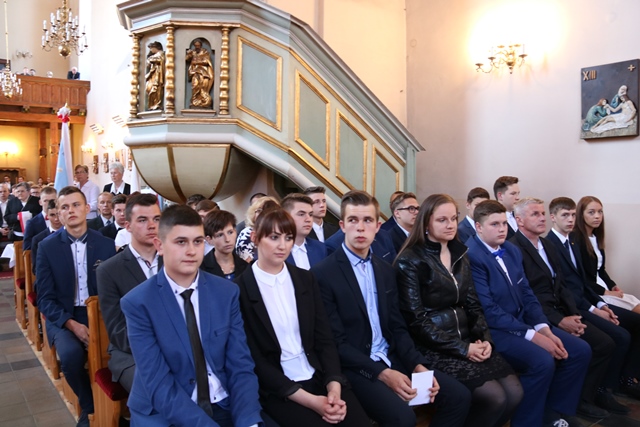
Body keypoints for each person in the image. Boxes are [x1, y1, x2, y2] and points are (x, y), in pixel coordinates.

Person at [311, 190, 471, 427]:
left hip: (392, 356)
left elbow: (397, 326)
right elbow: (336, 343)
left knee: (458, 397)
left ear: (378, 226)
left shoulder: (385, 269)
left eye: (368, 220)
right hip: (357, 365)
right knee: (403, 418)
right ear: (342, 226)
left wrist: (417, 365)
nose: (360, 228)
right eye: (353, 220)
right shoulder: (323, 274)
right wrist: (383, 374)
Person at [120, 205, 263, 426]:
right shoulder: (138, 303)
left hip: (222, 402)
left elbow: (240, 366)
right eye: (181, 242)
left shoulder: (226, 292)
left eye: (197, 241)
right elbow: (158, 383)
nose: (191, 251)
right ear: (159, 245)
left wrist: (248, 421)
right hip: (166, 410)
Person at [395, 194, 522, 427]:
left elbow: (473, 304)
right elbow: (417, 320)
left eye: (453, 218)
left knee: (514, 394)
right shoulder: (410, 260)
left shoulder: (460, 254)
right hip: (432, 346)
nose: (450, 224)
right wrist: (464, 349)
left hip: (466, 340)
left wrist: (485, 340)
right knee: (495, 397)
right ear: (426, 222)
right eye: (442, 220)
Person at [235, 208, 370, 426]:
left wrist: (334, 386)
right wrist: (312, 401)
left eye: (288, 238)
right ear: (255, 237)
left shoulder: (305, 279)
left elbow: (325, 338)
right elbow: (255, 359)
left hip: (319, 373)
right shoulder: (239, 290)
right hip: (280, 386)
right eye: (274, 237)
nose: (282, 246)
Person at [466, 200, 590, 427]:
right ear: (479, 227)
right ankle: (526, 422)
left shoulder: (512, 250)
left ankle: (553, 413)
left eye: (504, 223)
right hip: (493, 330)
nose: (502, 229)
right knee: (542, 361)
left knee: (579, 350)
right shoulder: (472, 255)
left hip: (522, 322)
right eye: (494, 224)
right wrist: (533, 336)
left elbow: (527, 293)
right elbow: (488, 310)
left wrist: (544, 328)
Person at [510, 198, 626, 418]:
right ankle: (562, 409)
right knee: (583, 349)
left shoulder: (547, 245)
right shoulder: (514, 248)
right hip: (539, 316)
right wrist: (559, 320)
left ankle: (577, 402)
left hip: (562, 310)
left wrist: (573, 314)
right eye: (535, 214)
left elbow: (562, 285)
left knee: (606, 342)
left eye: (542, 213)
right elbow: (527, 296)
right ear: (519, 220)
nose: (542, 218)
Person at [36, 186, 116, 427]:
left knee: (120, 351)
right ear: (58, 214)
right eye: (64, 207)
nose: (71, 210)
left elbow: (113, 290)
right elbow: (45, 299)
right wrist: (72, 325)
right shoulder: (47, 247)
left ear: (87, 209)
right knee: (70, 356)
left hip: (100, 313)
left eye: (76, 205)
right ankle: (89, 405)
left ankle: (117, 409)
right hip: (64, 315)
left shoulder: (105, 244)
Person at [547, 197, 640, 401]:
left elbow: (585, 280)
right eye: (565, 215)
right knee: (616, 338)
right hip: (572, 306)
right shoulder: (551, 245)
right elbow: (564, 289)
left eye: (572, 215)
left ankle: (620, 382)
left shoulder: (572, 241)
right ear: (552, 217)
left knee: (628, 329)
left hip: (587, 299)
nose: (570, 219)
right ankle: (600, 391)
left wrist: (601, 304)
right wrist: (595, 307)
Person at [97, 194, 161, 392]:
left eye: (157, 219)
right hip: (130, 353)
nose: (152, 225)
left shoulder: (174, 260)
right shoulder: (109, 270)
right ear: (128, 226)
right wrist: (162, 345)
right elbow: (118, 330)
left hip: (178, 346)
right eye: (142, 220)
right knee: (155, 386)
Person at [572, 196, 640, 314]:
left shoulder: (595, 238)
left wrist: (613, 286)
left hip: (604, 289)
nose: (597, 216)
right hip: (594, 293)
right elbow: (580, 277)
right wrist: (606, 292)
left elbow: (601, 270)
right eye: (591, 212)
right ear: (581, 214)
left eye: (600, 212)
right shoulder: (575, 239)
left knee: (636, 302)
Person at [282, 193, 327, 269]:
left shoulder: (320, 248)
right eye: (301, 214)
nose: (308, 219)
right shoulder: (276, 249)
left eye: (310, 214)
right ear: (286, 217)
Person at [201, 210, 248, 280]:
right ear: (209, 239)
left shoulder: (245, 266)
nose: (227, 239)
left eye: (230, 232)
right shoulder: (201, 269)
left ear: (235, 232)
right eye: (220, 235)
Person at [236, 196, 280, 263]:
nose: (264, 214)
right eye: (259, 211)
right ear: (253, 214)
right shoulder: (247, 233)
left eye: (268, 210)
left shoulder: (280, 232)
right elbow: (247, 264)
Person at [31, 199, 63, 276]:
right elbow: (36, 268)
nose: (56, 219)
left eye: (58, 214)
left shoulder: (72, 235)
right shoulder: (38, 239)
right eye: (52, 215)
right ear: (47, 216)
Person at [23, 186, 57, 250]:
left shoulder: (64, 220)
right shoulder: (32, 223)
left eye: (52, 201)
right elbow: (27, 248)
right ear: (40, 202)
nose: (49, 204)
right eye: (45, 201)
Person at [186, 39, 214, 108]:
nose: (197, 47)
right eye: (196, 46)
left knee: (203, 86)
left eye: (198, 45)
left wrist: (196, 62)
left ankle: (203, 100)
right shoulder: (193, 52)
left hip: (203, 72)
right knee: (195, 86)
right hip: (195, 72)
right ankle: (194, 101)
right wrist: (189, 55)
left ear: (201, 45)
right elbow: (187, 59)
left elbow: (207, 61)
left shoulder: (204, 51)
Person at [145, 41, 165, 110]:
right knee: (149, 88)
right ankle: (152, 104)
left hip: (158, 75)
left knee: (156, 89)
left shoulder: (161, 53)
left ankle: (157, 104)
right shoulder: (154, 55)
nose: (150, 50)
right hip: (152, 75)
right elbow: (148, 64)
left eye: (151, 48)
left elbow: (160, 60)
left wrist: (151, 59)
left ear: (155, 47)